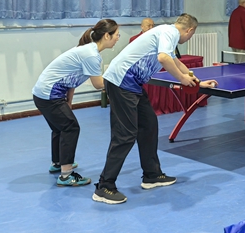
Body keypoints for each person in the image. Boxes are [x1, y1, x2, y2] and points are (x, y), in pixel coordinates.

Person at [93, 13, 218, 205]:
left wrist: (197, 82)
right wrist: (182, 79)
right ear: (190, 30)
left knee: (149, 126)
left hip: (133, 84)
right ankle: (104, 186)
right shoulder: (170, 32)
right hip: (121, 82)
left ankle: (151, 175)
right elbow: (163, 58)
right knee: (125, 135)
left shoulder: (166, 33)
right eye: (191, 35)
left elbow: (175, 61)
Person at [32, 19, 120, 187]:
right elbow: (98, 84)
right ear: (106, 36)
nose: (118, 38)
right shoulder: (91, 55)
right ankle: (66, 176)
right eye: (116, 35)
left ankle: (58, 163)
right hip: (49, 94)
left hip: (43, 93)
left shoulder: (88, 50)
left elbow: (71, 79)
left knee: (60, 127)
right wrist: (120, 80)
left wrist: (69, 102)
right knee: (70, 127)